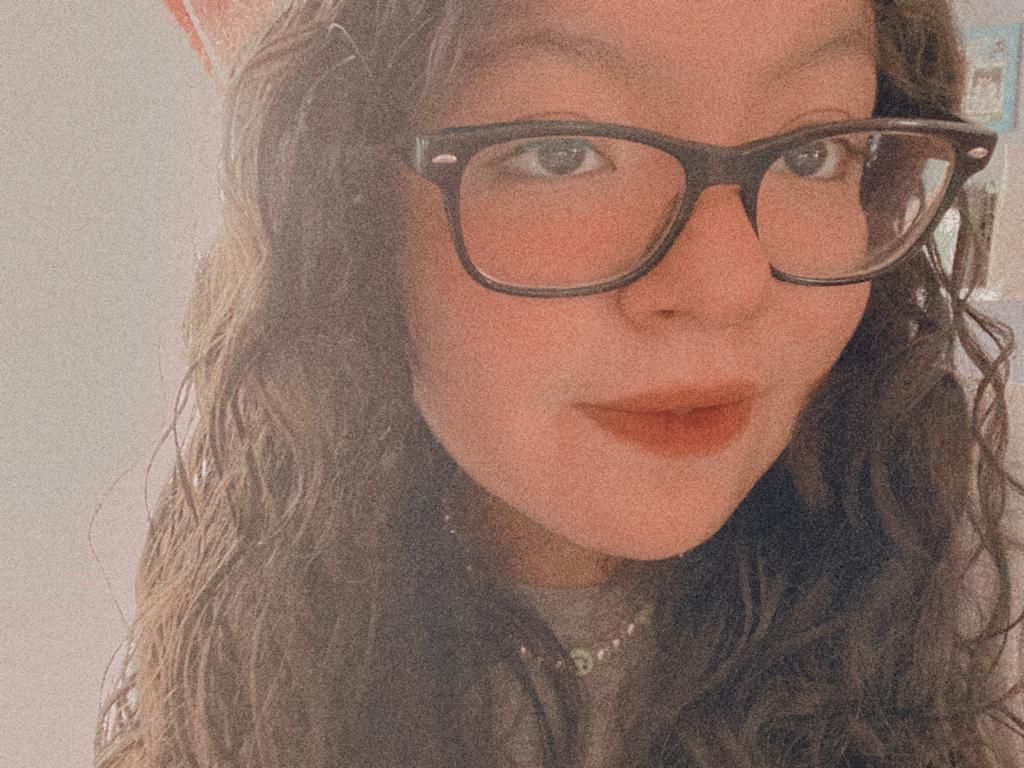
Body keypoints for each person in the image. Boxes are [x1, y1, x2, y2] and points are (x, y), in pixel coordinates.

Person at [97, 1, 1024, 766]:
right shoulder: (253, 582)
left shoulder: (975, 561)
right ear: (347, 211)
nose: (727, 287)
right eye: (561, 151)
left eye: (812, 152)